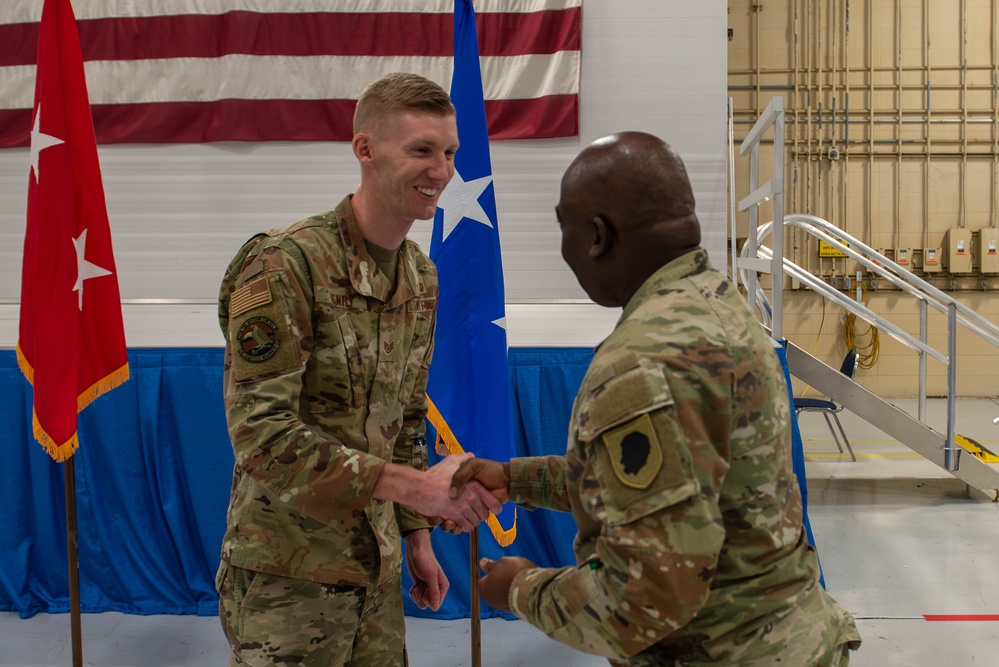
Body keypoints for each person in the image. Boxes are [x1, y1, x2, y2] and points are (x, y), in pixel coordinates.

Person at [448, 132, 862, 666]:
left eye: (563, 228)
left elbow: (642, 601)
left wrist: (519, 588)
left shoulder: (641, 360)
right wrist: (515, 479)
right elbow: (682, 485)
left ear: (597, 236)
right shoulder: (718, 306)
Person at [215, 72, 501, 667]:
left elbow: (407, 421)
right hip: (286, 577)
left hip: (377, 571)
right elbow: (260, 437)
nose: (442, 172)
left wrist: (417, 535)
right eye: (421, 150)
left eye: (449, 153)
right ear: (365, 150)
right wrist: (413, 490)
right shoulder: (284, 265)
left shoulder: (420, 276)